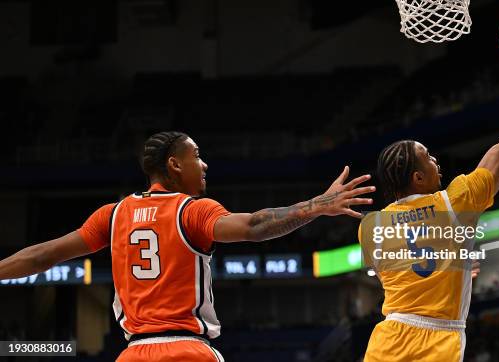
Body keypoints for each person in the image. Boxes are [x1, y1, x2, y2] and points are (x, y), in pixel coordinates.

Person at [0, 131, 376, 361]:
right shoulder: (191, 211)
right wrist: (317, 206)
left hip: (133, 354)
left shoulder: (112, 216)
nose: (205, 163)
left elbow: (41, 255)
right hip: (186, 351)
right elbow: (254, 226)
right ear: (175, 165)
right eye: (196, 155)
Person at [360, 35, 499, 362]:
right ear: (417, 177)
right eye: (428, 158)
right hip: (436, 340)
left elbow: (402, 269)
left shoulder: (371, 226)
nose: (435, 161)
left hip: (387, 339)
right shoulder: (455, 202)